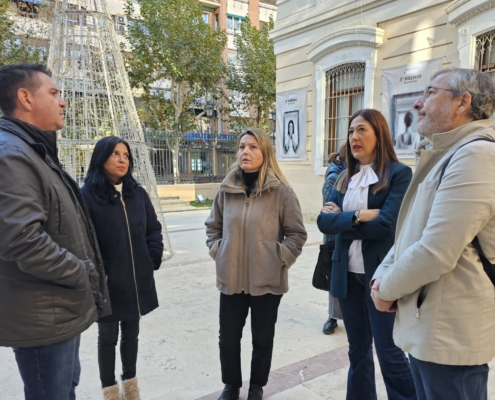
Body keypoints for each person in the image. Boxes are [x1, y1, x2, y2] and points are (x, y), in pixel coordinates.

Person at [371, 68, 495, 400]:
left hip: (450, 335)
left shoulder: (477, 155)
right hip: (429, 328)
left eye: (430, 92)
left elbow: (436, 250)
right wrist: (382, 275)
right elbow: (409, 230)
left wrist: (388, 290)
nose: (419, 104)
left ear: (462, 102)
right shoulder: (447, 154)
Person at [0, 63, 111, 399]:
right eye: (54, 93)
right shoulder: (12, 155)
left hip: (58, 308)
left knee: (63, 389)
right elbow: (22, 240)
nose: (63, 102)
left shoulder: (35, 151)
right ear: (25, 98)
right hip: (43, 316)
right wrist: (81, 271)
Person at [317, 109, 416, 400]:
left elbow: (387, 225)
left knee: (390, 354)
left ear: (379, 134)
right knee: (357, 352)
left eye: (361, 130)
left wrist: (344, 219)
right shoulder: (347, 177)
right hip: (347, 276)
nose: (354, 137)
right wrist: (359, 216)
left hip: (382, 278)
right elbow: (323, 222)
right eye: (350, 132)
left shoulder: (399, 174)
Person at [205, 128, 307, 400]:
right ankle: (231, 386)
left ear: (265, 153)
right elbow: (212, 227)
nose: (245, 152)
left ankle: (256, 387)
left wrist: (278, 258)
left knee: (262, 340)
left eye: (252, 147)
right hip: (231, 279)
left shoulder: (281, 191)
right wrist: (220, 251)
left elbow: (297, 234)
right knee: (227, 339)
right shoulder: (226, 189)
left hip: (267, 281)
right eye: (241, 147)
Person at [81, 136, 164, 400]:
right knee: (107, 337)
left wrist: (151, 258)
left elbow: (153, 229)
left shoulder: (136, 193)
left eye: (126, 155)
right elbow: (83, 239)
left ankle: (131, 386)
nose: (122, 160)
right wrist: (99, 269)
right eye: (115, 154)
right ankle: (110, 391)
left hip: (136, 279)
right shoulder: (87, 197)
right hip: (108, 282)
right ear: (101, 157)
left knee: (132, 334)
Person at [321, 144, 346, 335]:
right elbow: (329, 208)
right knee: (334, 274)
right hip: (334, 235)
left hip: (347, 230)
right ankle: (332, 317)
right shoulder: (334, 176)